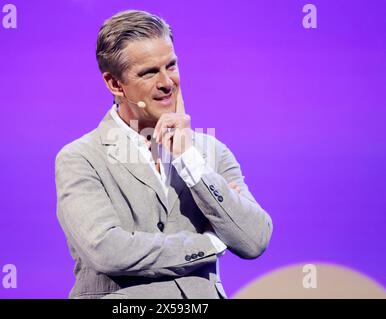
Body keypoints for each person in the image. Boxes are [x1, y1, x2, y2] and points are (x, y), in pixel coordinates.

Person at [55, 9, 273, 299]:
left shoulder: (211, 152)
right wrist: (209, 244)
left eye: (171, 66)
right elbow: (107, 251)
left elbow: (254, 239)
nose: (167, 82)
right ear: (114, 83)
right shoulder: (80, 158)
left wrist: (189, 160)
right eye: (149, 72)